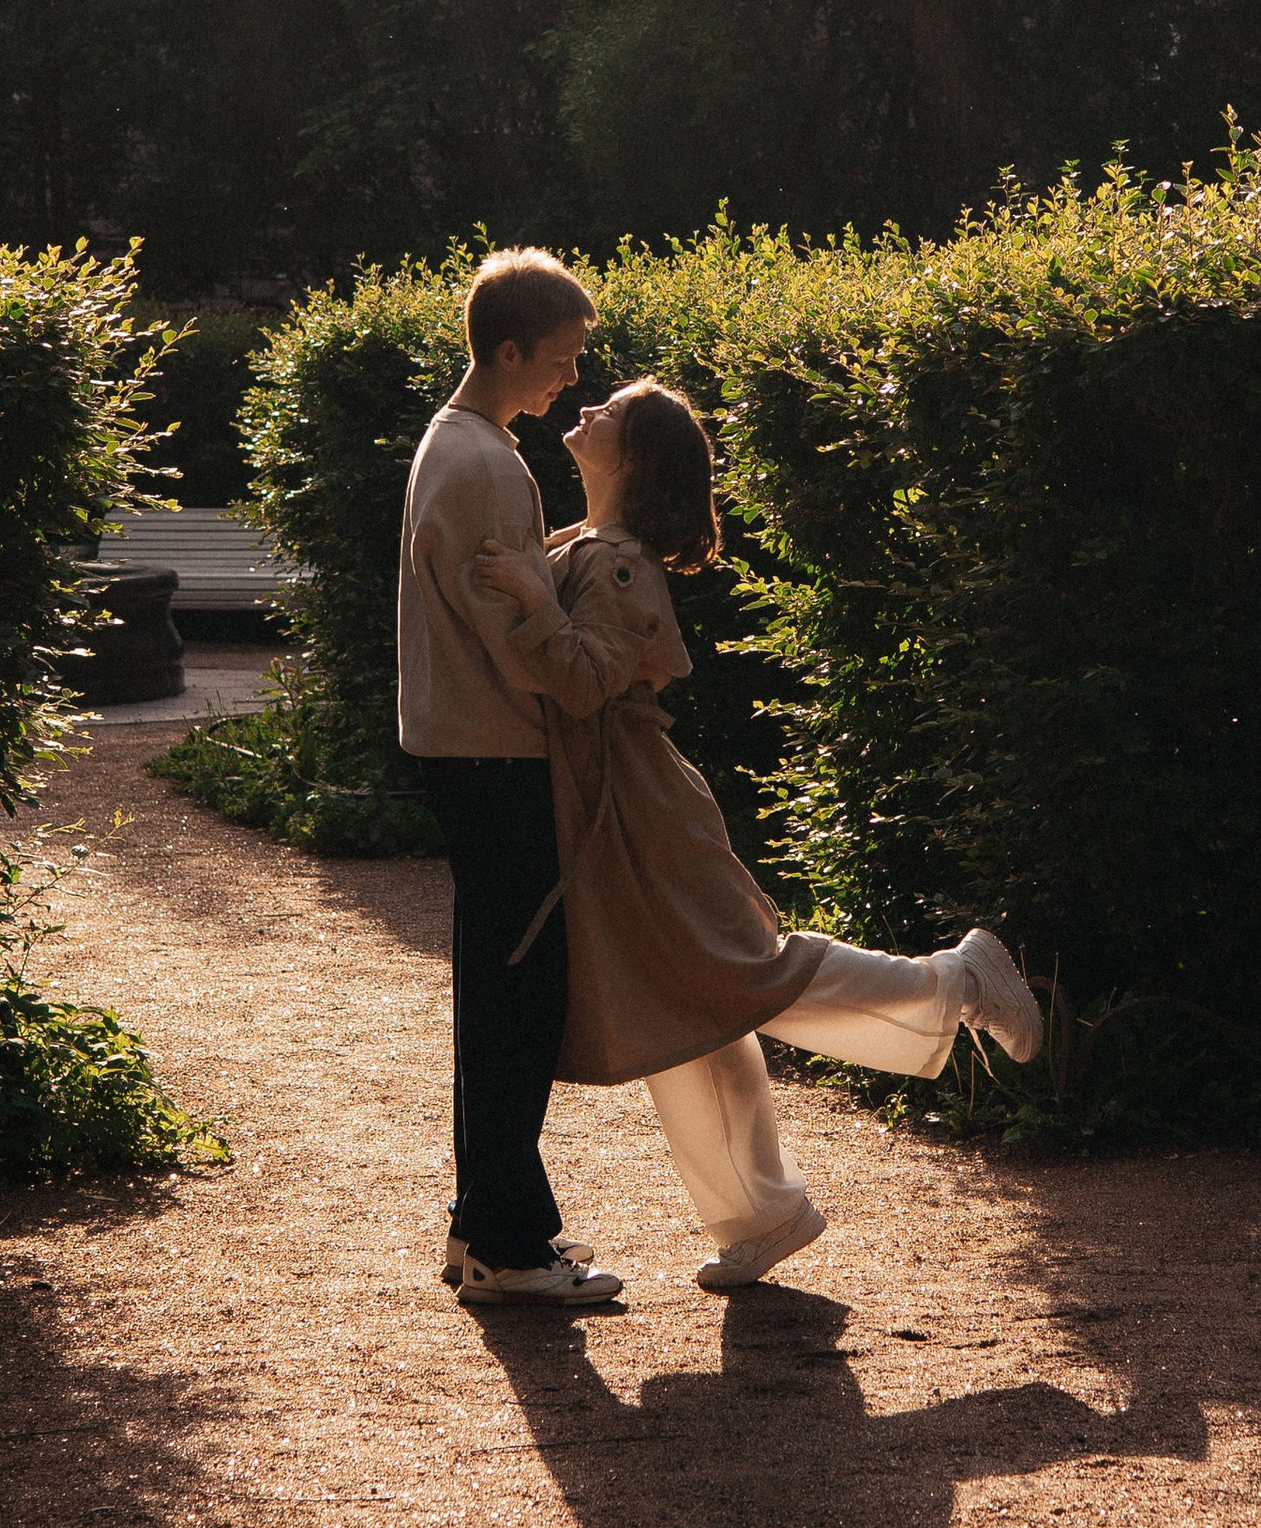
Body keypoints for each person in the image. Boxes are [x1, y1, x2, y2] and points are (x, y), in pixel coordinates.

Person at [473, 376, 1042, 1289]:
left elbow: (583, 682)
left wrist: (528, 599)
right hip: (617, 810)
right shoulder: (589, 543)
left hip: (644, 809)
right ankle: (763, 1211)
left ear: (633, 457)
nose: (581, 415)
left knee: (742, 973)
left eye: (605, 416)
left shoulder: (616, 560)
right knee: (683, 1006)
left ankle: (955, 981)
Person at [397, 248, 626, 1309]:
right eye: (561, 358)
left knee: (497, 994)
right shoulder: (488, 463)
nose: (570, 380)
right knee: (514, 1004)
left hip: (463, 750)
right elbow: (516, 642)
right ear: (507, 350)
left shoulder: (454, 446)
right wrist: (580, 686)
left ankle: (487, 1233)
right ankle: (507, 1245)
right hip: (500, 755)